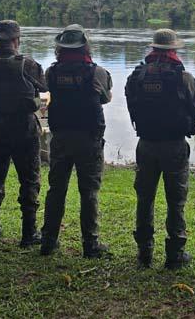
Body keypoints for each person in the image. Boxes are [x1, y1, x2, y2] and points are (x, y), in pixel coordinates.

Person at [125, 29, 195, 269]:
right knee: (176, 200)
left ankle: (144, 253)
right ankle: (175, 255)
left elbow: (132, 106)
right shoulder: (184, 78)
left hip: (146, 143)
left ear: (153, 49)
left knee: (144, 198)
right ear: (173, 50)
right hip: (175, 145)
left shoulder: (136, 76)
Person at [40, 25, 113, 258]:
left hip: (60, 137)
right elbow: (106, 98)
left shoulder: (51, 72)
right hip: (88, 139)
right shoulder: (97, 72)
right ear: (85, 45)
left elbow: (50, 91)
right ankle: (90, 245)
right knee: (89, 192)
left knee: (56, 190)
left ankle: (48, 241)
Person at [0, 20, 47, 247]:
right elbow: (44, 87)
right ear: (17, 39)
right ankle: (29, 234)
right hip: (22, 126)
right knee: (29, 178)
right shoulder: (25, 63)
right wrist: (35, 100)